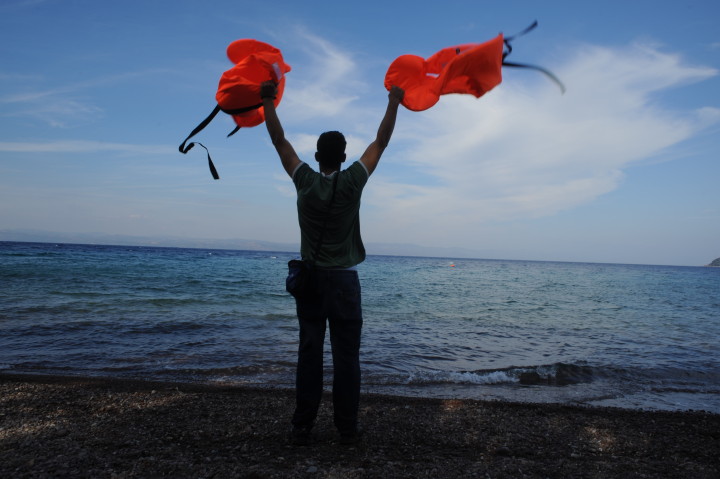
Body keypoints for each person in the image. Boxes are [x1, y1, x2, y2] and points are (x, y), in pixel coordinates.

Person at [260, 81, 404, 445]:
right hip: (344, 284)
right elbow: (381, 142)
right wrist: (394, 102)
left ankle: (302, 426)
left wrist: (266, 100)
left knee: (309, 355)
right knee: (346, 359)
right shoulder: (353, 181)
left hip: (311, 283)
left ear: (316, 154)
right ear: (343, 158)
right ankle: (347, 428)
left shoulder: (305, 181)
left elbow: (279, 141)